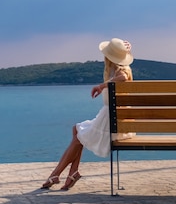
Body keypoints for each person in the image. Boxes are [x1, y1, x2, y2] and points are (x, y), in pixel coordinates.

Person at [41, 37, 133, 191]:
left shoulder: (122, 70)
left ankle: (56, 174)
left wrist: (101, 85)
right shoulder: (118, 69)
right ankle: (72, 173)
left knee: (78, 136)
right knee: (76, 130)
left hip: (114, 122)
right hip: (116, 120)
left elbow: (123, 77)